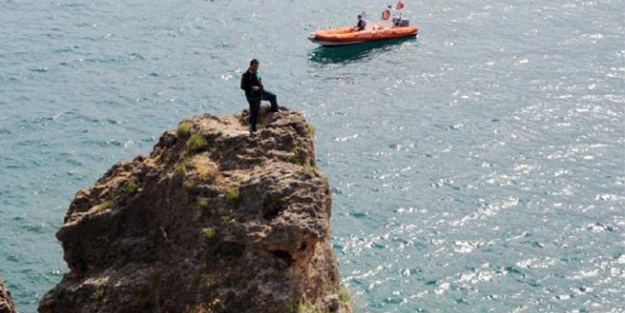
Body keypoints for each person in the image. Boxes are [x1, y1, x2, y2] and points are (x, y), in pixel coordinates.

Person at [240, 59, 279, 133]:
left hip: (261, 93)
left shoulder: (257, 73)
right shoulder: (246, 75)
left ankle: (274, 111)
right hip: (252, 96)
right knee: (254, 112)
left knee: (273, 96)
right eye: (254, 66)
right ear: (250, 65)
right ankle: (252, 128)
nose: (256, 68)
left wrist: (260, 87)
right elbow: (242, 86)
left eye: (257, 66)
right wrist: (252, 88)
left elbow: (259, 81)